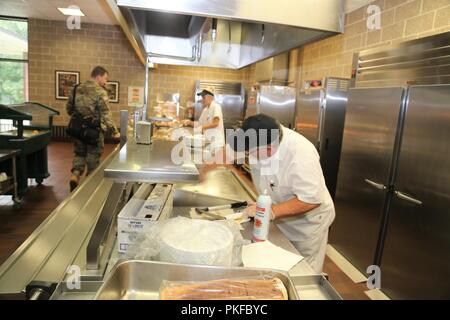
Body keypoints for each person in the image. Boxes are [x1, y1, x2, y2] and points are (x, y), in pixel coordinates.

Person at [228, 114, 335, 273]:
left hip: (307, 225)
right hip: (280, 217)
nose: (248, 156)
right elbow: (228, 153)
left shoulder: (300, 154)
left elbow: (310, 200)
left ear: (269, 148)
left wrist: (269, 211)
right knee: (278, 262)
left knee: (302, 271)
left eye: (251, 152)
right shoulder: (261, 141)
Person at [66, 66, 120, 192]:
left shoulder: (76, 88)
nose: (106, 82)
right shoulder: (100, 91)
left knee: (79, 153)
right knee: (93, 156)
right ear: (98, 76)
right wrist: (115, 132)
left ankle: (75, 175)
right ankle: (89, 187)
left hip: (77, 129)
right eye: (105, 78)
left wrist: (81, 119)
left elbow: (69, 109)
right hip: (93, 131)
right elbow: (106, 113)